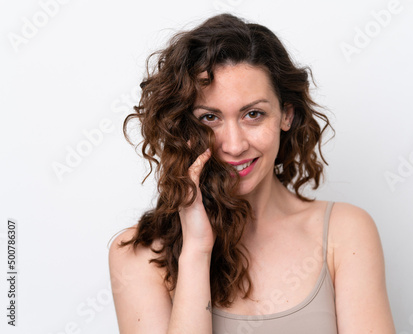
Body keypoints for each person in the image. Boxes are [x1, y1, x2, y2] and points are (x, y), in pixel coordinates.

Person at [108, 13, 396, 334]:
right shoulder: (139, 253)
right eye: (209, 118)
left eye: (253, 114)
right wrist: (197, 251)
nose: (233, 145)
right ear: (184, 126)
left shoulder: (346, 233)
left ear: (285, 114)